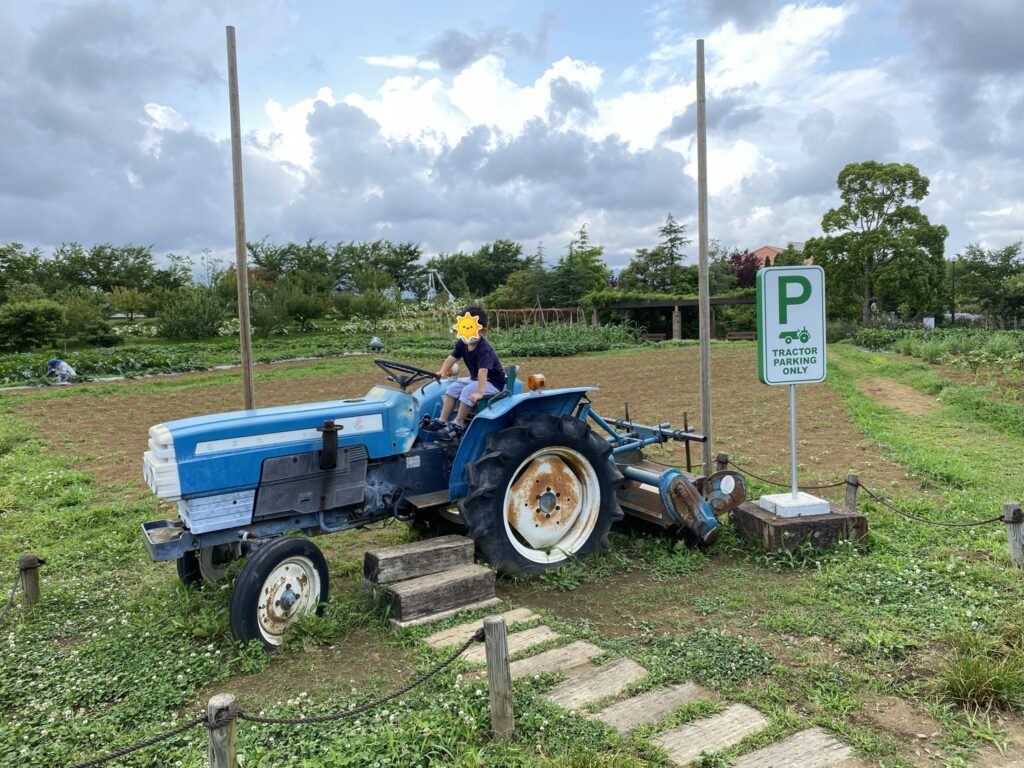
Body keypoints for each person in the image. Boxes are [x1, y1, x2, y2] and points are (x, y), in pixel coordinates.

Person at [427, 306, 506, 441]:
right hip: (476, 379)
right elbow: (452, 358)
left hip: (493, 382)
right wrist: (442, 371)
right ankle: (442, 420)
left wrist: (480, 392)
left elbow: (483, 371)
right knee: (453, 387)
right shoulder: (462, 343)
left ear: (483, 331)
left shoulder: (484, 349)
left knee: (468, 390)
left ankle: (458, 425)